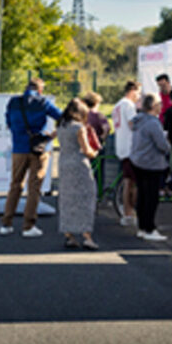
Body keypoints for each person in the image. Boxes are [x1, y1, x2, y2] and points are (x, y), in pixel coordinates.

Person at [0, 78, 62, 238]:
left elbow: (9, 122)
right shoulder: (43, 102)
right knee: (34, 188)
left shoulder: (13, 102)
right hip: (38, 149)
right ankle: (28, 226)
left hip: (18, 149)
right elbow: (62, 117)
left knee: (15, 185)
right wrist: (51, 135)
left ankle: (6, 223)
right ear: (40, 90)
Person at [57, 98, 99, 250]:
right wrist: (95, 152)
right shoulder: (79, 128)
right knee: (86, 198)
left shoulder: (61, 126)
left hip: (64, 164)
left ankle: (69, 235)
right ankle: (87, 236)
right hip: (79, 165)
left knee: (67, 199)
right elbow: (87, 150)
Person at [129, 94, 170, 241]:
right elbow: (162, 145)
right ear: (153, 106)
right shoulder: (153, 123)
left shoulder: (138, 120)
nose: (161, 106)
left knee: (142, 195)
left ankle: (142, 227)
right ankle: (150, 228)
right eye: (159, 104)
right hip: (151, 163)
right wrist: (168, 145)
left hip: (137, 160)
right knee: (152, 197)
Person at [112, 80, 141, 227]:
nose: (139, 96)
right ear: (133, 91)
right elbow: (133, 124)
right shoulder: (128, 105)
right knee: (134, 183)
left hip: (121, 147)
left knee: (127, 181)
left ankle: (127, 213)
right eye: (138, 93)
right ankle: (130, 212)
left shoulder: (117, 105)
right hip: (130, 148)